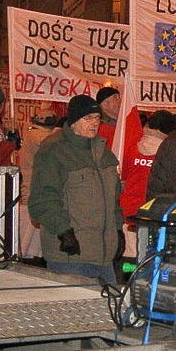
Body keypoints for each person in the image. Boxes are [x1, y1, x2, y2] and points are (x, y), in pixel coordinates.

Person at [28, 95, 122, 284]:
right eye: (87, 118)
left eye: (97, 118)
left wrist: (117, 230)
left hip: (103, 255)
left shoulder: (104, 153)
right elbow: (42, 199)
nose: (94, 123)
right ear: (73, 121)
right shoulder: (54, 150)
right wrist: (64, 231)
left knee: (108, 310)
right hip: (70, 254)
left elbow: (113, 199)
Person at [119, 110, 176, 258]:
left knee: (130, 255)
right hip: (153, 212)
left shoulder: (133, 147)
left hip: (128, 211)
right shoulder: (169, 151)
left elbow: (124, 178)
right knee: (152, 256)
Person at [16, 104, 60, 262]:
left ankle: (29, 255)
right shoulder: (37, 136)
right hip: (32, 187)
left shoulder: (30, 133)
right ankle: (27, 257)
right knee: (30, 229)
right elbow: (52, 142)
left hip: (32, 186)